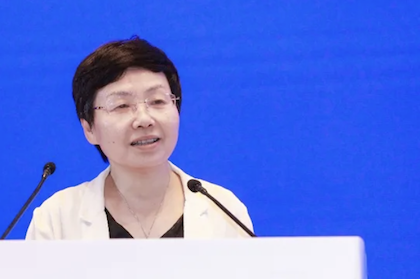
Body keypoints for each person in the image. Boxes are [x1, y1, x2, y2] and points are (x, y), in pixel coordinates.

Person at [25, 36, 253, 240]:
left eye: (157, 101)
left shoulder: (223, 210)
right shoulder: (56, 220)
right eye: (122, 105)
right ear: (89, 129)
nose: (144, 119)